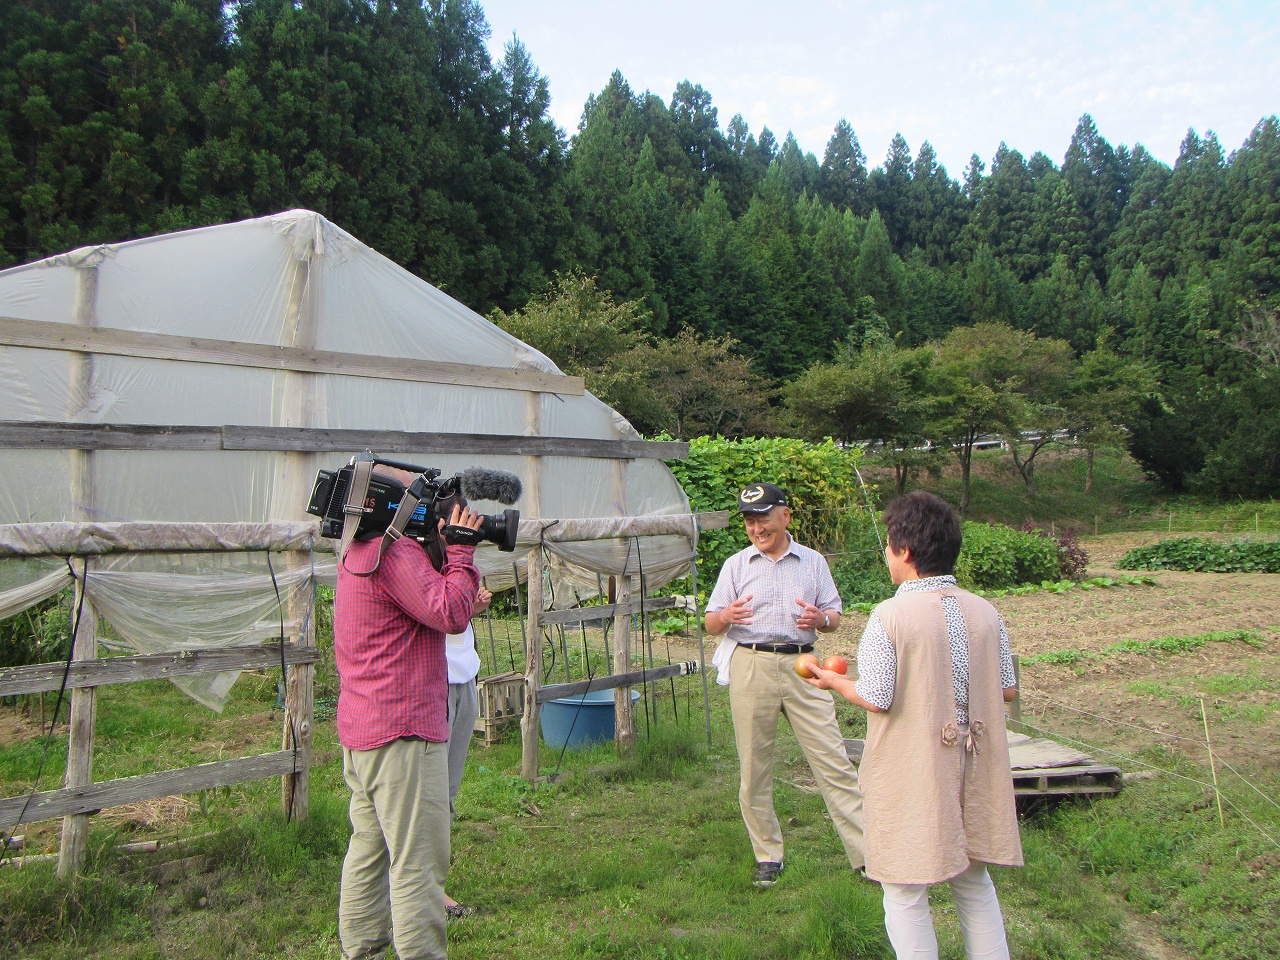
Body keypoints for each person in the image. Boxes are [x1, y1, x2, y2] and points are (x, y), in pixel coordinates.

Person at [804, 490, 1023, 960]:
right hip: (975, 763)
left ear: (903, 551)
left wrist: (834, 683)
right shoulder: (987, 611)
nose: (886, 554)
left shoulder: (890, 615)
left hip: (915, 766)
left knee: (904, 887)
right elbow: (1005, 689)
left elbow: (878, 698)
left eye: (887, 545)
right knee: (973, 880)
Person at [333, 465, 483, 960]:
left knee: (369, 853)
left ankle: (365, 952)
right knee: (417, 865)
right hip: (403, 737)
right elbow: (450, 612)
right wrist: (460, 548)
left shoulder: (356, 552)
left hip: (365, 732)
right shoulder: (395, 555)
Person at [704, 482, 865, 888]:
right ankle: (767, 854)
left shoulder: (813, 563)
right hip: (751, 663)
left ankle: (868, 856)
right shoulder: (736, 566)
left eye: (763, 519)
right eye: (749, 521)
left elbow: (834, 614)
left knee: (832, 758)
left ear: (786, 516)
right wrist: (726, 615)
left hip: (805, 665)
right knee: (754, 766)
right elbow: (709, 623)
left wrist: (821, 620)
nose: (757, 528)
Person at [442, 585, 493, 920]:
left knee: (446, 788)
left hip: (463, 675)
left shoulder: (454, 555)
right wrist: (464, 608)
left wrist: (470, 607)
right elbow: (430, 612)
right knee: (426, 790)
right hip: (434, 679)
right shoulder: (415, 551)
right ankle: (422, 889)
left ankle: (432, 883)